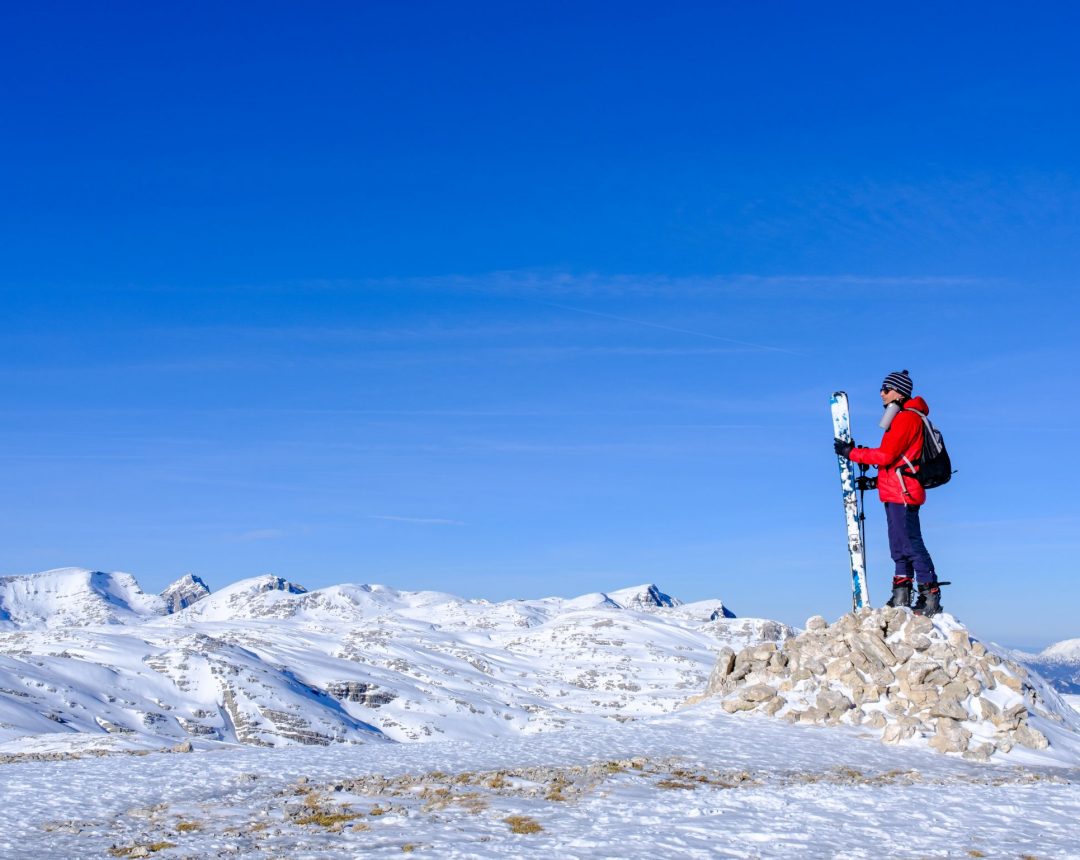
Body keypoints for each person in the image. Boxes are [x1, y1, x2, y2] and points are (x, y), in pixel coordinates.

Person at [834, 370, 943, 616]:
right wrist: (875, 483)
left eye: (886, 388)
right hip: (898, 490)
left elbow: (886, 456)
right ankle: (901, 595)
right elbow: (896, 463)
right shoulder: (904, 417)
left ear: (899, 392)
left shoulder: (906, 418)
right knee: (899, 545)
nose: (881, 393)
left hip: (903, 493)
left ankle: (929, 596)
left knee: (910, 543)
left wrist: (851, 453)